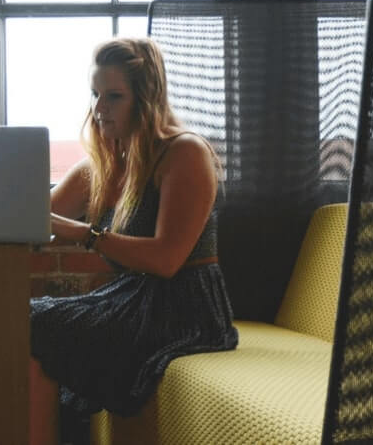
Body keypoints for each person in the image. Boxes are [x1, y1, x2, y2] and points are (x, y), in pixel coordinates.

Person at [30, 37, 238, 443]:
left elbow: (167, 259)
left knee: (34, 322)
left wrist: (86, 234)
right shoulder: (106, 164)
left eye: (113, 97)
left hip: (185, 308)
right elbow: (32, 219)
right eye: (94, 94)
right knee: (22, 321)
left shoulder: (184, 153)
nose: (98, 109)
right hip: (132, 298)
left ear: (145, 100)